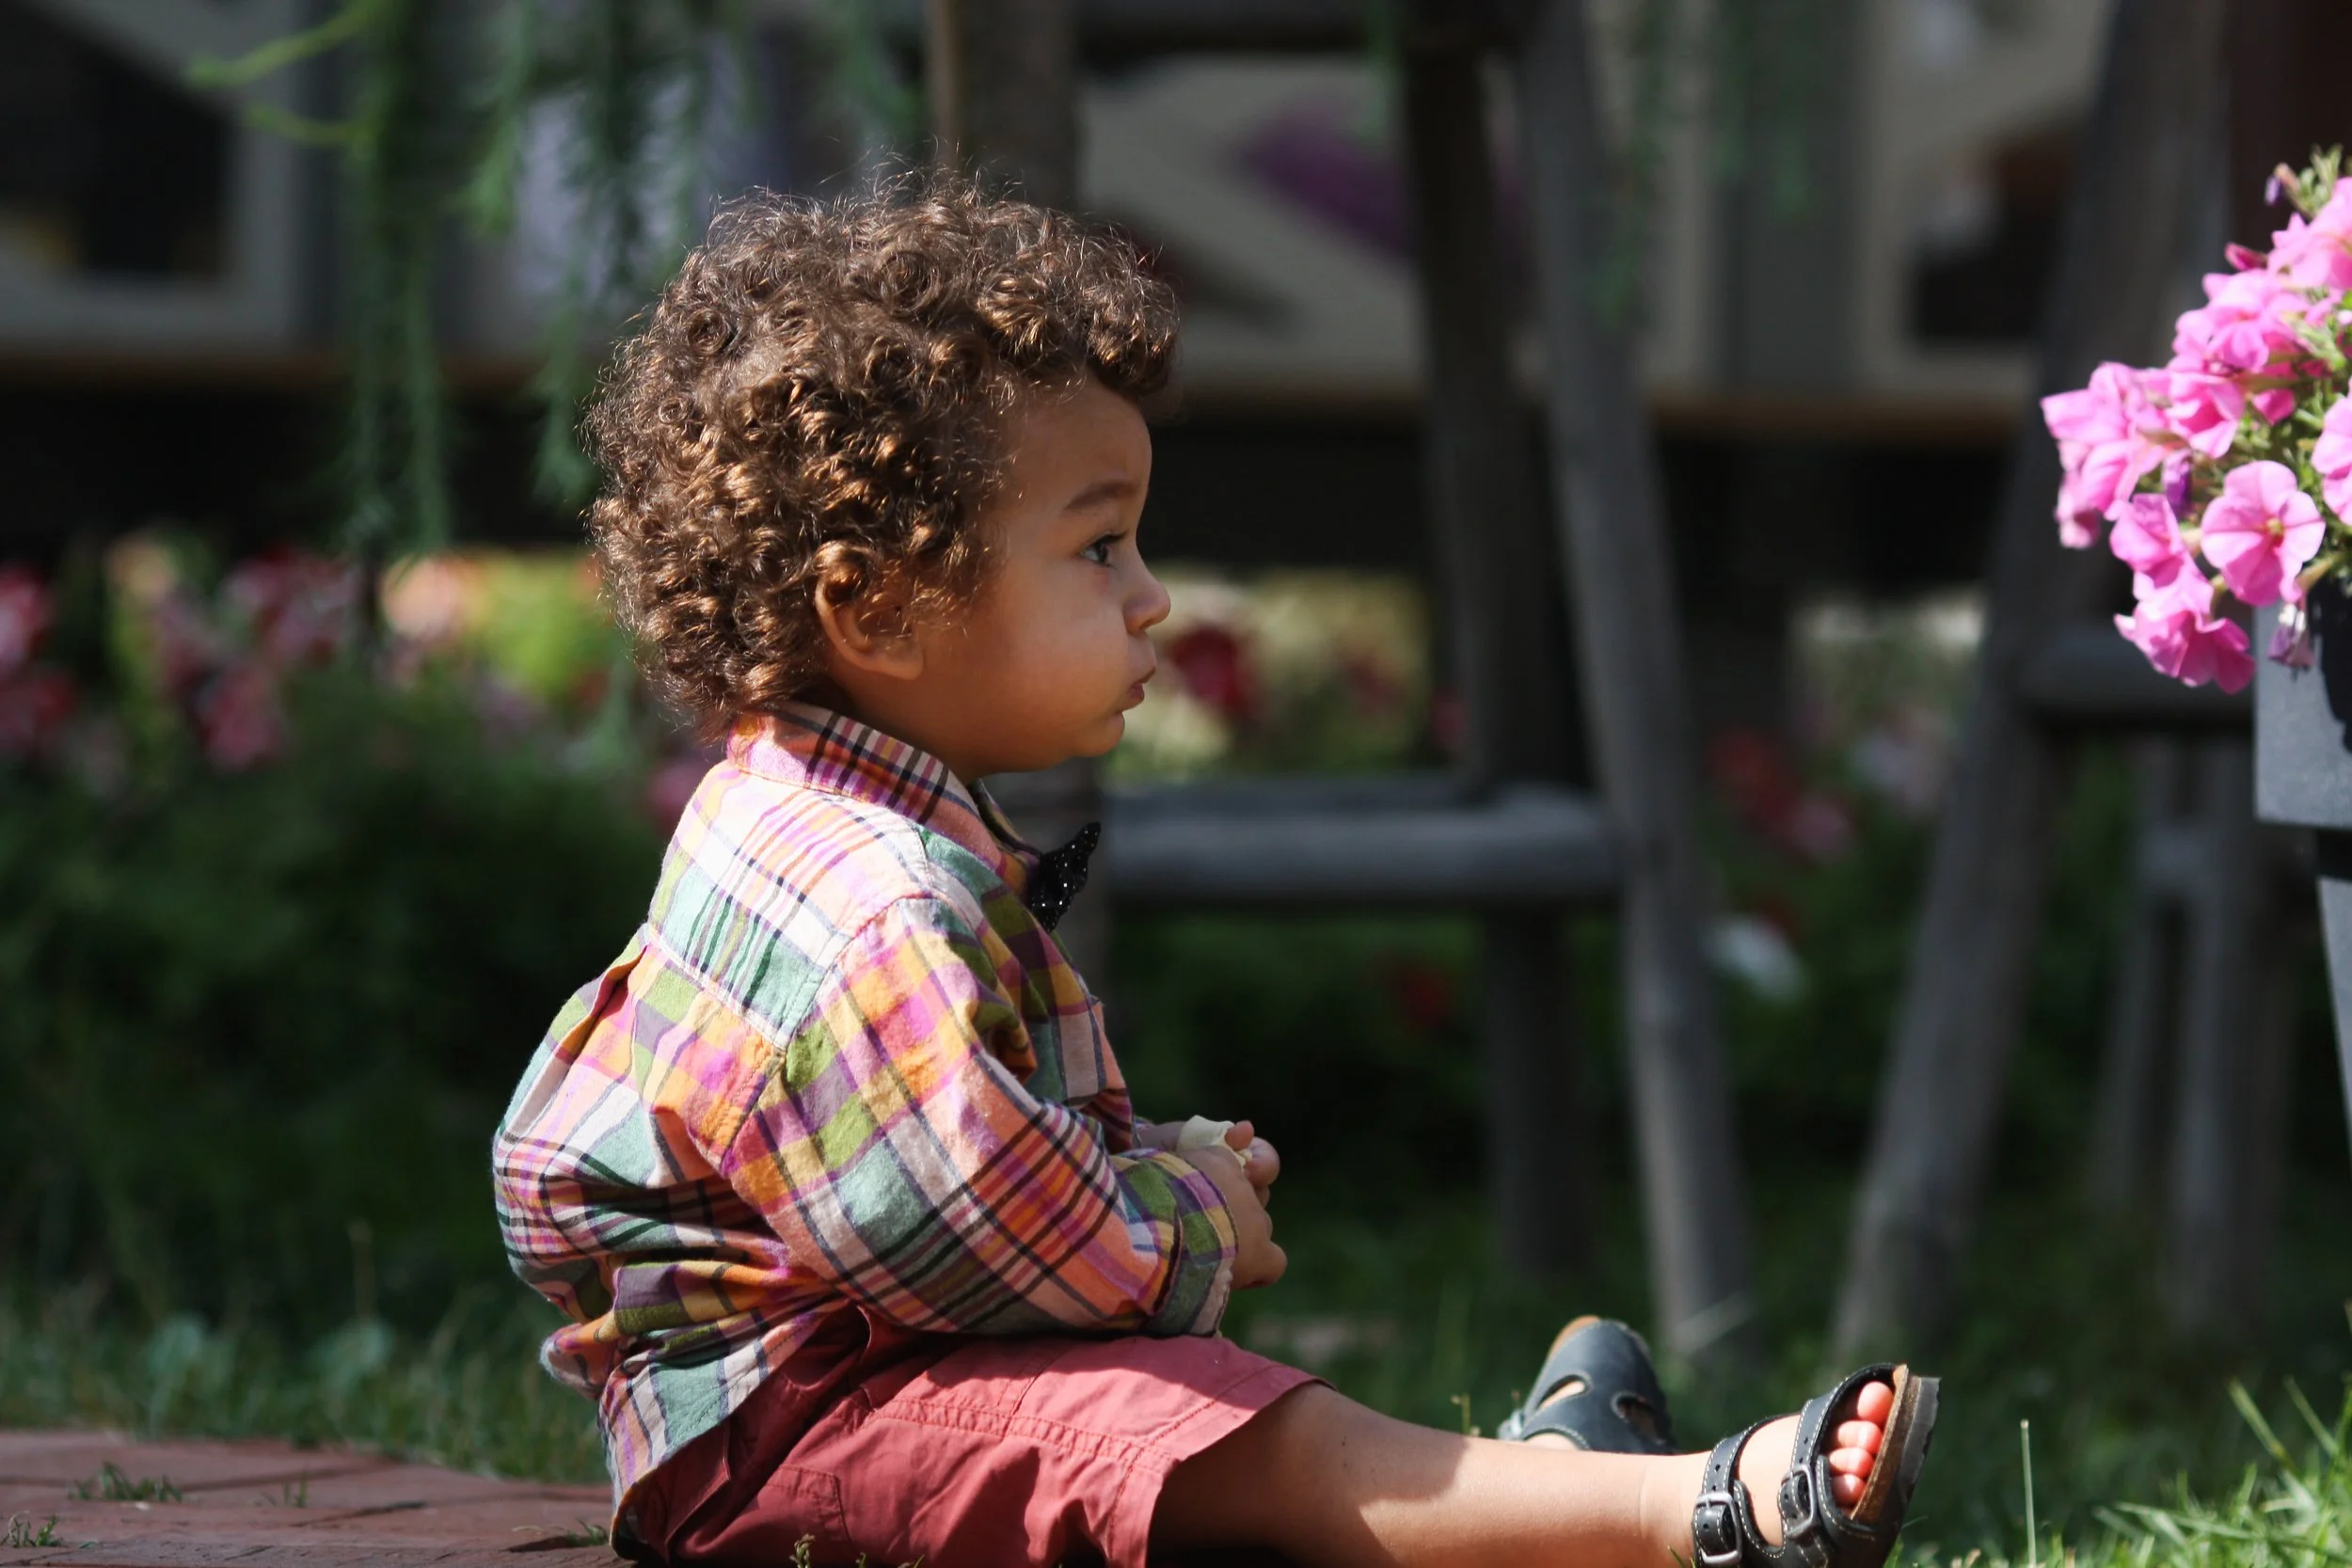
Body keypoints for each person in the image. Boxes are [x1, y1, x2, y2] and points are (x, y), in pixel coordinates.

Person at [491, 178, 1938, 1568]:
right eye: (1098, 544)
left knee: (1204, 1440)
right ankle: (1707, 1516)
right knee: (1255, 1444)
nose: (1151, 594)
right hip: (793, 1442)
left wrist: (1134, 1163)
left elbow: (935, 1169)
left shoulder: (789, 808)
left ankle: (1540, 1486)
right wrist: (1184, 1226)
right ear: (876, 604)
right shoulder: (874, 902)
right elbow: (965, 1245)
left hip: (821, 1408)